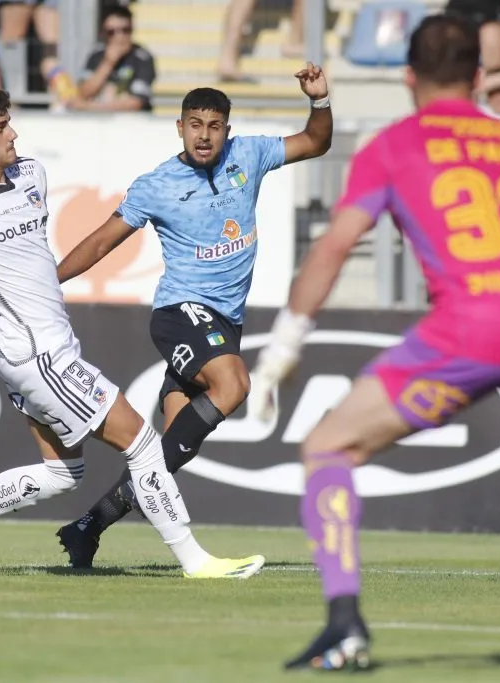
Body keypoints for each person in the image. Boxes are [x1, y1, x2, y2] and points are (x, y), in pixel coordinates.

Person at [248, 15, 500, 671]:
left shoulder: (396, 145)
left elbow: (333, 246)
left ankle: (345, 627)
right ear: (477, 77)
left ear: (408, 77)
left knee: (329, 445)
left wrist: (283, 347)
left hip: (468, 329)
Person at [0, 89, 264, 581]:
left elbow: (29, 269)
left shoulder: (31, 175)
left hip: (37, 350)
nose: (14, 133)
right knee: (145, 444)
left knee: (62, 474)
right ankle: (197, 562)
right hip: (39, 356)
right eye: (1, 128)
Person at [51, 64, 334, 569]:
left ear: (228, 128)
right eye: (195, 124)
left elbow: (315, 142)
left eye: (215, 125)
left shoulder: (250, 154)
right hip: (180, 313)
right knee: (234, 385)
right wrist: (47, 282)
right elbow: (100, 241)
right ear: (179, 127)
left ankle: (87, 527)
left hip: (225, 322)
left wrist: (319, 100)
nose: (205, 135)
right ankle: (180, 552)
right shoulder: (157, 185)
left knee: (172, 453)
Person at [68, 5, 156, 113]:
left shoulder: (142, 58)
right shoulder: (96, 55)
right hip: (97, 124)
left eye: (125, 30)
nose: (119, 36)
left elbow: (136, 102)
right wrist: (108, 63)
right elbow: (83, 93)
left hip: (132, 125)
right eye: (111, 32)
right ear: (103, 33)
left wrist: (90, 107)